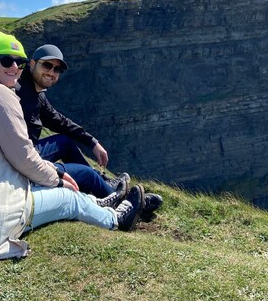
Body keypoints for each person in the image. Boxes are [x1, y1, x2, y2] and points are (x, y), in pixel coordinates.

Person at [0, 31, 145, 264]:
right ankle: (115, 218)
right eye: (7, 60)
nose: (15, 68)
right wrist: (58, 179)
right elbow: (23, 157)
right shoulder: (0, 95)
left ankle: (99, 198)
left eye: (19, 62)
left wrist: (83, 149)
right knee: (67, 198)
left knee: (62, 166)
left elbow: (54, 124)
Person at [17, 44, 163, 216]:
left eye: (57, 69)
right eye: (47, 65)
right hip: (21, 162)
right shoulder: (20, 94)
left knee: (64, 142)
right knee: (86, 174)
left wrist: (92, 142)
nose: (52, 72)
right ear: (32, 63)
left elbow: (58, 121)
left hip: (25, 153)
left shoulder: (34, 91)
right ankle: (128, 204)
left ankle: (102, 183)